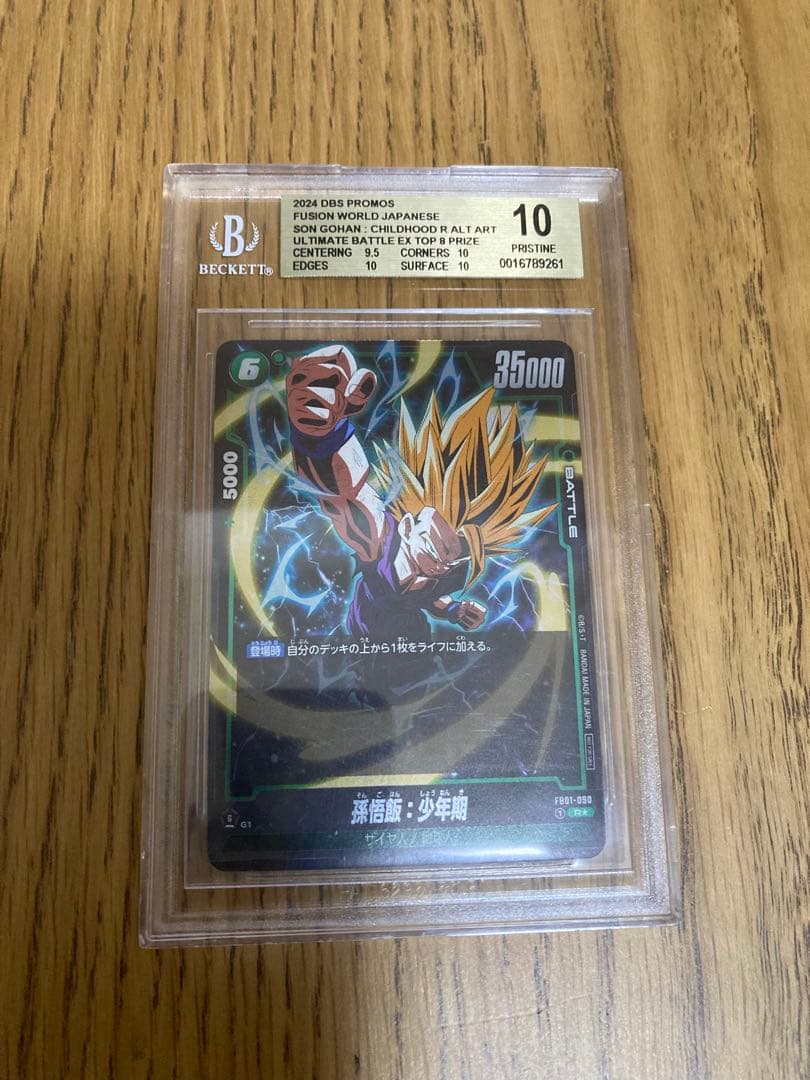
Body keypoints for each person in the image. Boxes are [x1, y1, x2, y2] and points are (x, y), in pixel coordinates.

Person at [286, 344, 554, 637]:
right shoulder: (381, 542)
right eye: (439, 545)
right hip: (365, 638)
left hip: (415, 640)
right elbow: (347, 495)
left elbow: (428, 595)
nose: (445, 562)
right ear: (409, 525)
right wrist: (322, 437)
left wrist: (453, 610)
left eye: (458, 552)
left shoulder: (444, 570)